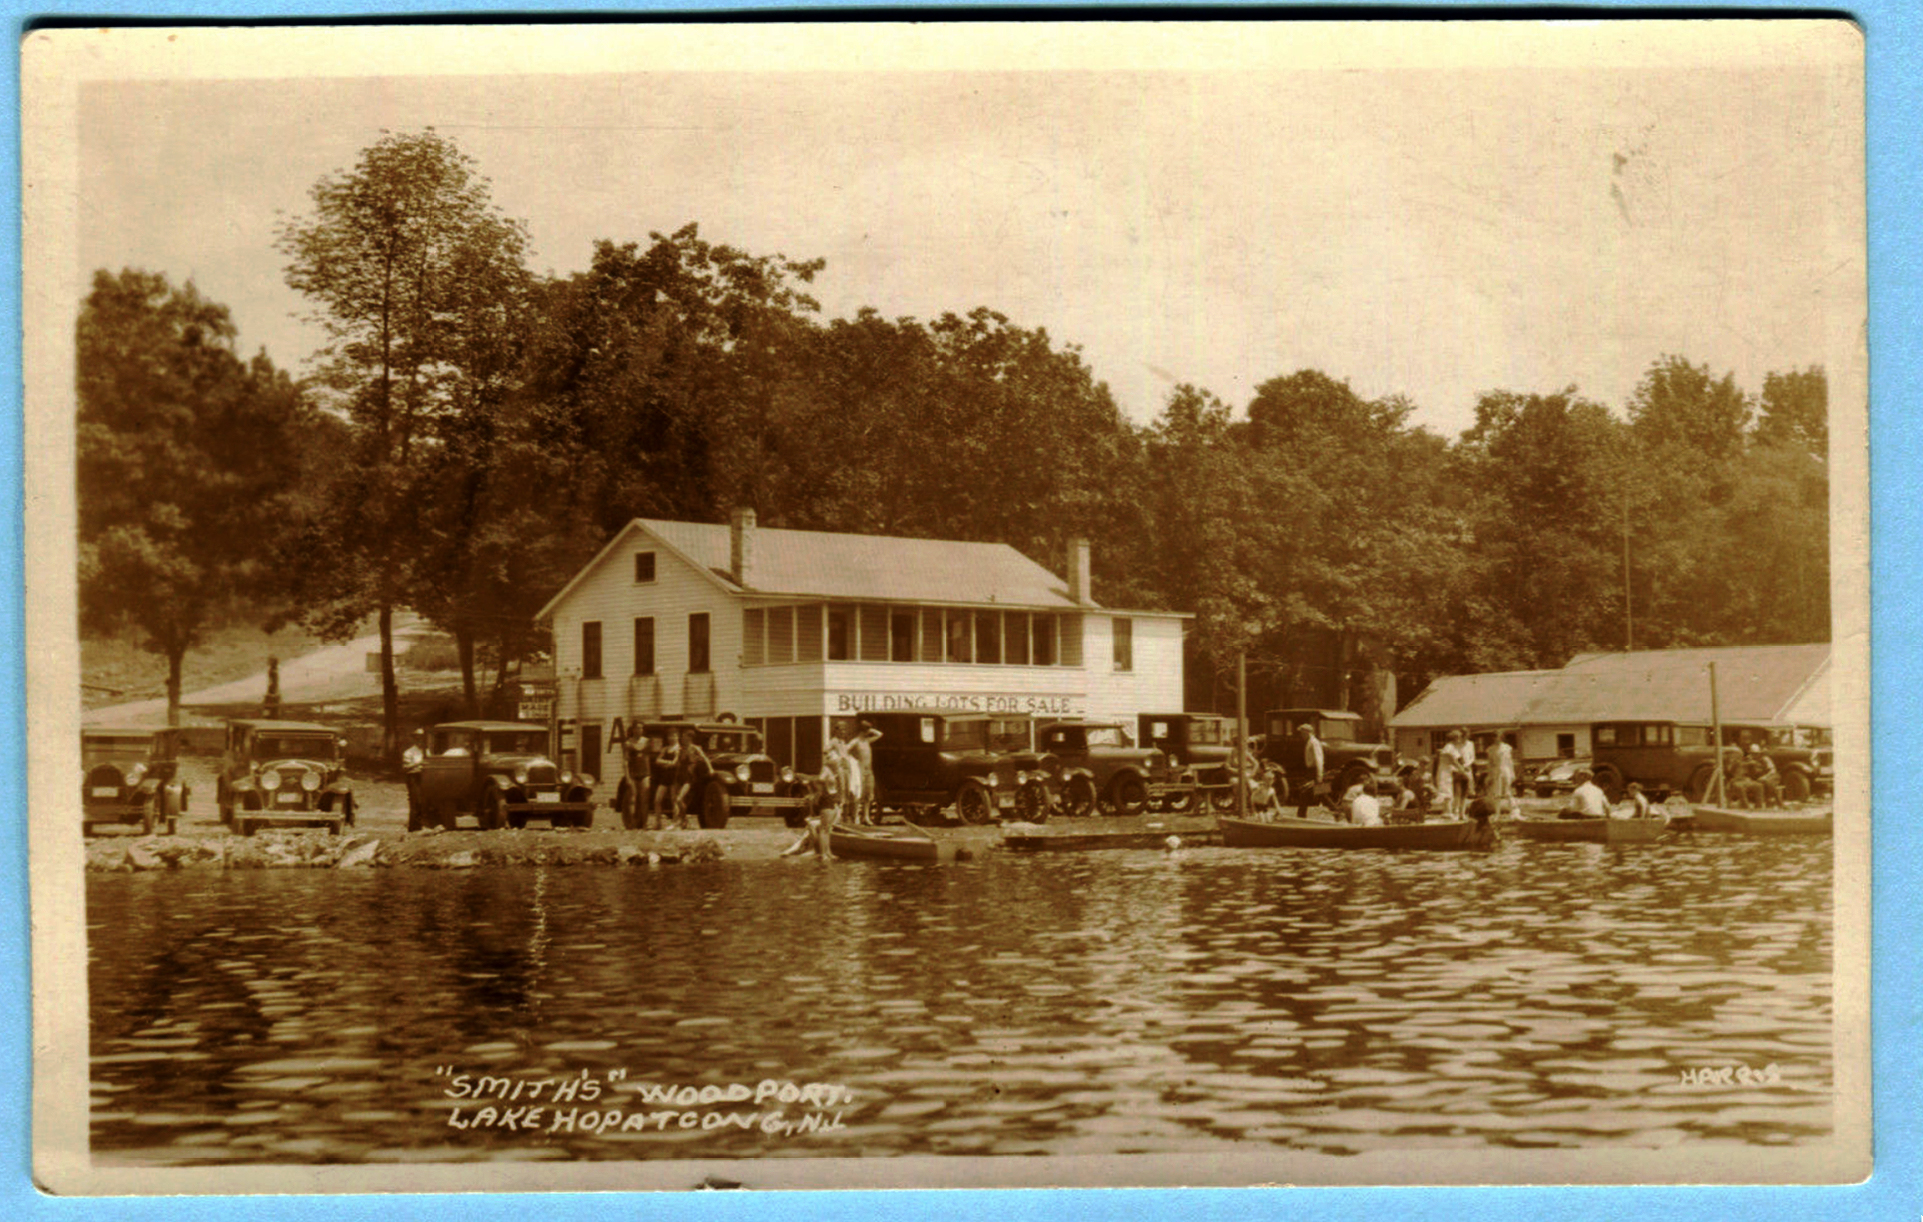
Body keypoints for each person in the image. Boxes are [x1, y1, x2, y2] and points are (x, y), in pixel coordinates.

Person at [672, 728, 709, 829]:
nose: (682, 739)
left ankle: (684, 819)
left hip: (689, 777)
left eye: (684, 737)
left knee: (679, 799)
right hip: (679, 776)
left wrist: (710, 769)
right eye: (682, 737)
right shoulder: (681, 749)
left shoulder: (695, 748)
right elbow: (677, 763)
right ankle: (681, 821)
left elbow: (705, 758)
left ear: (690, 738)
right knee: (676, 800)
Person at [1286, 722, 1325, 819]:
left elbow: (1318, 759)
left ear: (1307, 732)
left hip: (1314, 770)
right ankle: (1301, 813)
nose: (1301, 735)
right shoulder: (1309, 742)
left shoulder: (1314, 742)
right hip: (1311, 770)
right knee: (1319, 792)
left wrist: (1319, 775)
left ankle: (1301, 814)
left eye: (1302, 733)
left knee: (1306, 791)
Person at [850, 721, 882, 825]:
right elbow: (845, 749)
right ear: (862, 731)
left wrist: (871, 729)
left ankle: (866, 816)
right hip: (860, 770)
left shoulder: (867, 741)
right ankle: (856, 817)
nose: (869, 732)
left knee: (869, 795)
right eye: (867, 730)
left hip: (869, 771)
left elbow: (880, 734)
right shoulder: (855, 741)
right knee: (859, 795)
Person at [647, 733, 676, 830]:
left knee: (674, 800)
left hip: (675, 776)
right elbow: (657, 760)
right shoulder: (665, 749)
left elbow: (675, 762)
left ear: (677, 737)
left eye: (674, 736)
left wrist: (665, 763)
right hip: (665, 776)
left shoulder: (679, 749)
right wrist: (668, 762)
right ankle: (658, 823)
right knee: (657, 799)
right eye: (670, 736)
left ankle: (675, 823)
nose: (672, 738)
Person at [1489, 733, 1518, 819]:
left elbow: (1510, 761)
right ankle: (1497, 813)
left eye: (1498, 737)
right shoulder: (1490, 749)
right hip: (1496, 771)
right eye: (1495, 737)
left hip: (1506, 770)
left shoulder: (1507, 748)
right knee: (1497, 794)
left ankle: (1513, 811)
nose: (1497, 739)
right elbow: (1490, 763)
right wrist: (1490, 774)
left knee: (1508, 792)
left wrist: (1513, 773)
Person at [401, 729, 426, 829]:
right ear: (415, 739)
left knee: (424, 801)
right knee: (415, 801)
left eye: (422, 738)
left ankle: (425, 823)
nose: (420, 740)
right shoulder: (409, 752)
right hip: (414, 777)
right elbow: (405, 767)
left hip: (425, 777)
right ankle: (414, 826)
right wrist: (418, 763)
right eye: (418, 738)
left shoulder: (426, 750)